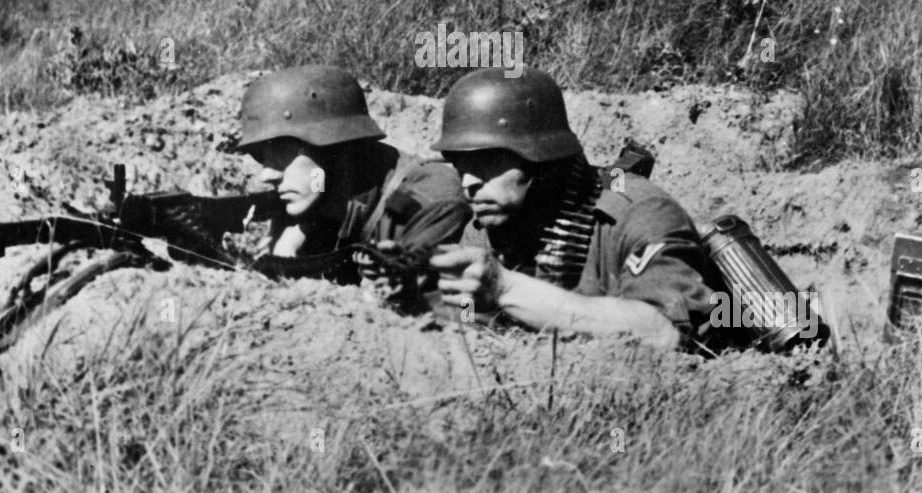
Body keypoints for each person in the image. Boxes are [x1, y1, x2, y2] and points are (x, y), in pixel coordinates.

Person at [422, 66, 723, 349]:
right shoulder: (486, 227)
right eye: (461, 167)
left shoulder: (643, 215)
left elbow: (664, 332)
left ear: (541, 160)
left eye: (487, 163)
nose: (469, 183)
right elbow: (470, 321)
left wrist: (505, 289)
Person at [232, 65, 470, 280]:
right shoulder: (316, 192)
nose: (267, 175)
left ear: (336, 148)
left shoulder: (427, 201)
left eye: (282, 153)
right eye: (262, 157)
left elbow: (448, 315)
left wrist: (295, 273)